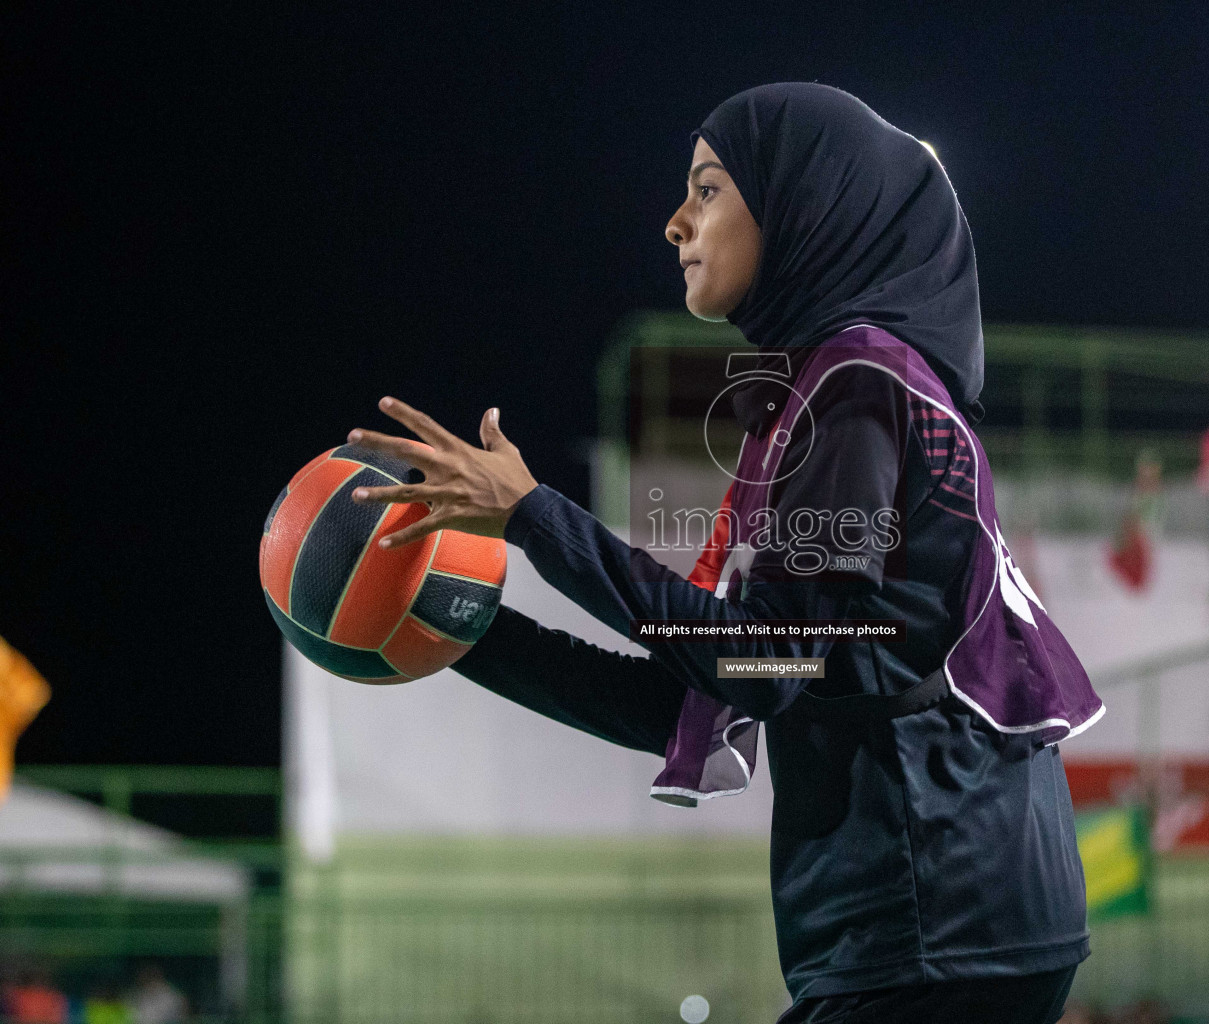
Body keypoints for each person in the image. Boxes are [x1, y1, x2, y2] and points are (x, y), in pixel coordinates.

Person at [347, 82, 1103, 1023]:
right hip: (952, 920)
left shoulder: (858, 386)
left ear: (804, 207)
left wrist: (538, 517)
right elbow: (695, 686)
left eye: (707, 189)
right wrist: (458, 631)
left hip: (933, 923)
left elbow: (766, 661)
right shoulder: (844, 388)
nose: (674, 223)